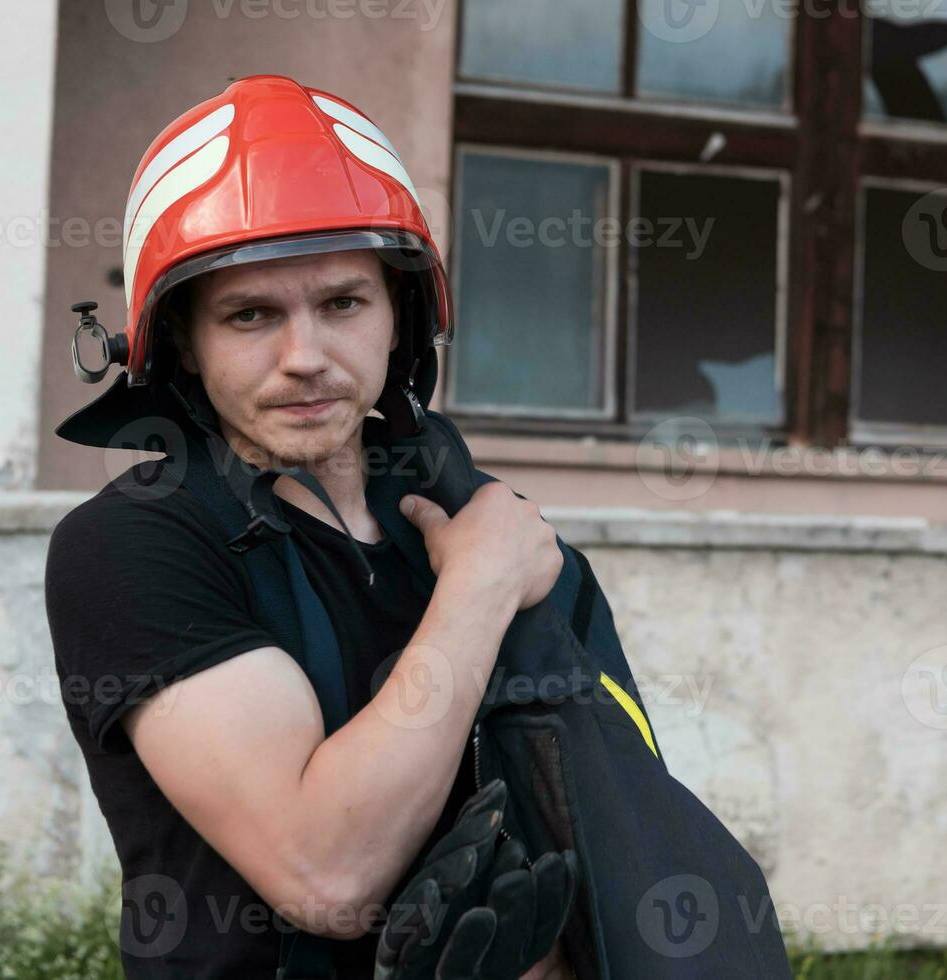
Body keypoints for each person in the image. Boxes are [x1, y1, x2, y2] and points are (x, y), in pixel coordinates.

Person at [45, 74, 577, 979]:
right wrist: (481, 586)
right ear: (177, 342)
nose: (305, 358)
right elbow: (327, 874)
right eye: (251, 315)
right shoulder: (131, 545)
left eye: (342, 303)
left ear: (400, 315)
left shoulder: (458, 513)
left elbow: (583, 808)